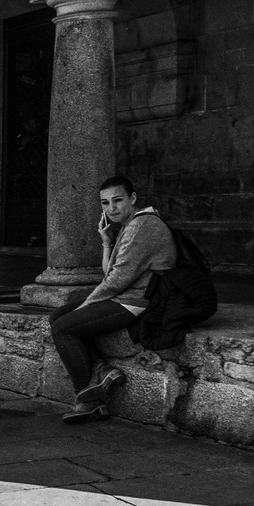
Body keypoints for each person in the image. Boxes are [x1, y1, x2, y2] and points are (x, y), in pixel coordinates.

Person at [50, 175, 177, 423]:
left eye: (118, 201)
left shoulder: (143, 227)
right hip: (122, 296)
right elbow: (111, 274)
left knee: (64, 327)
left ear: (133, 198)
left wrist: (88, 303)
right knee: (58, 316)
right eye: (105, 203)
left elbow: (116, 281)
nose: (111, 208)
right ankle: (102, 370)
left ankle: (87, 398)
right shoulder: (130, 226)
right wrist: (107, 243)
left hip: (138, 302)